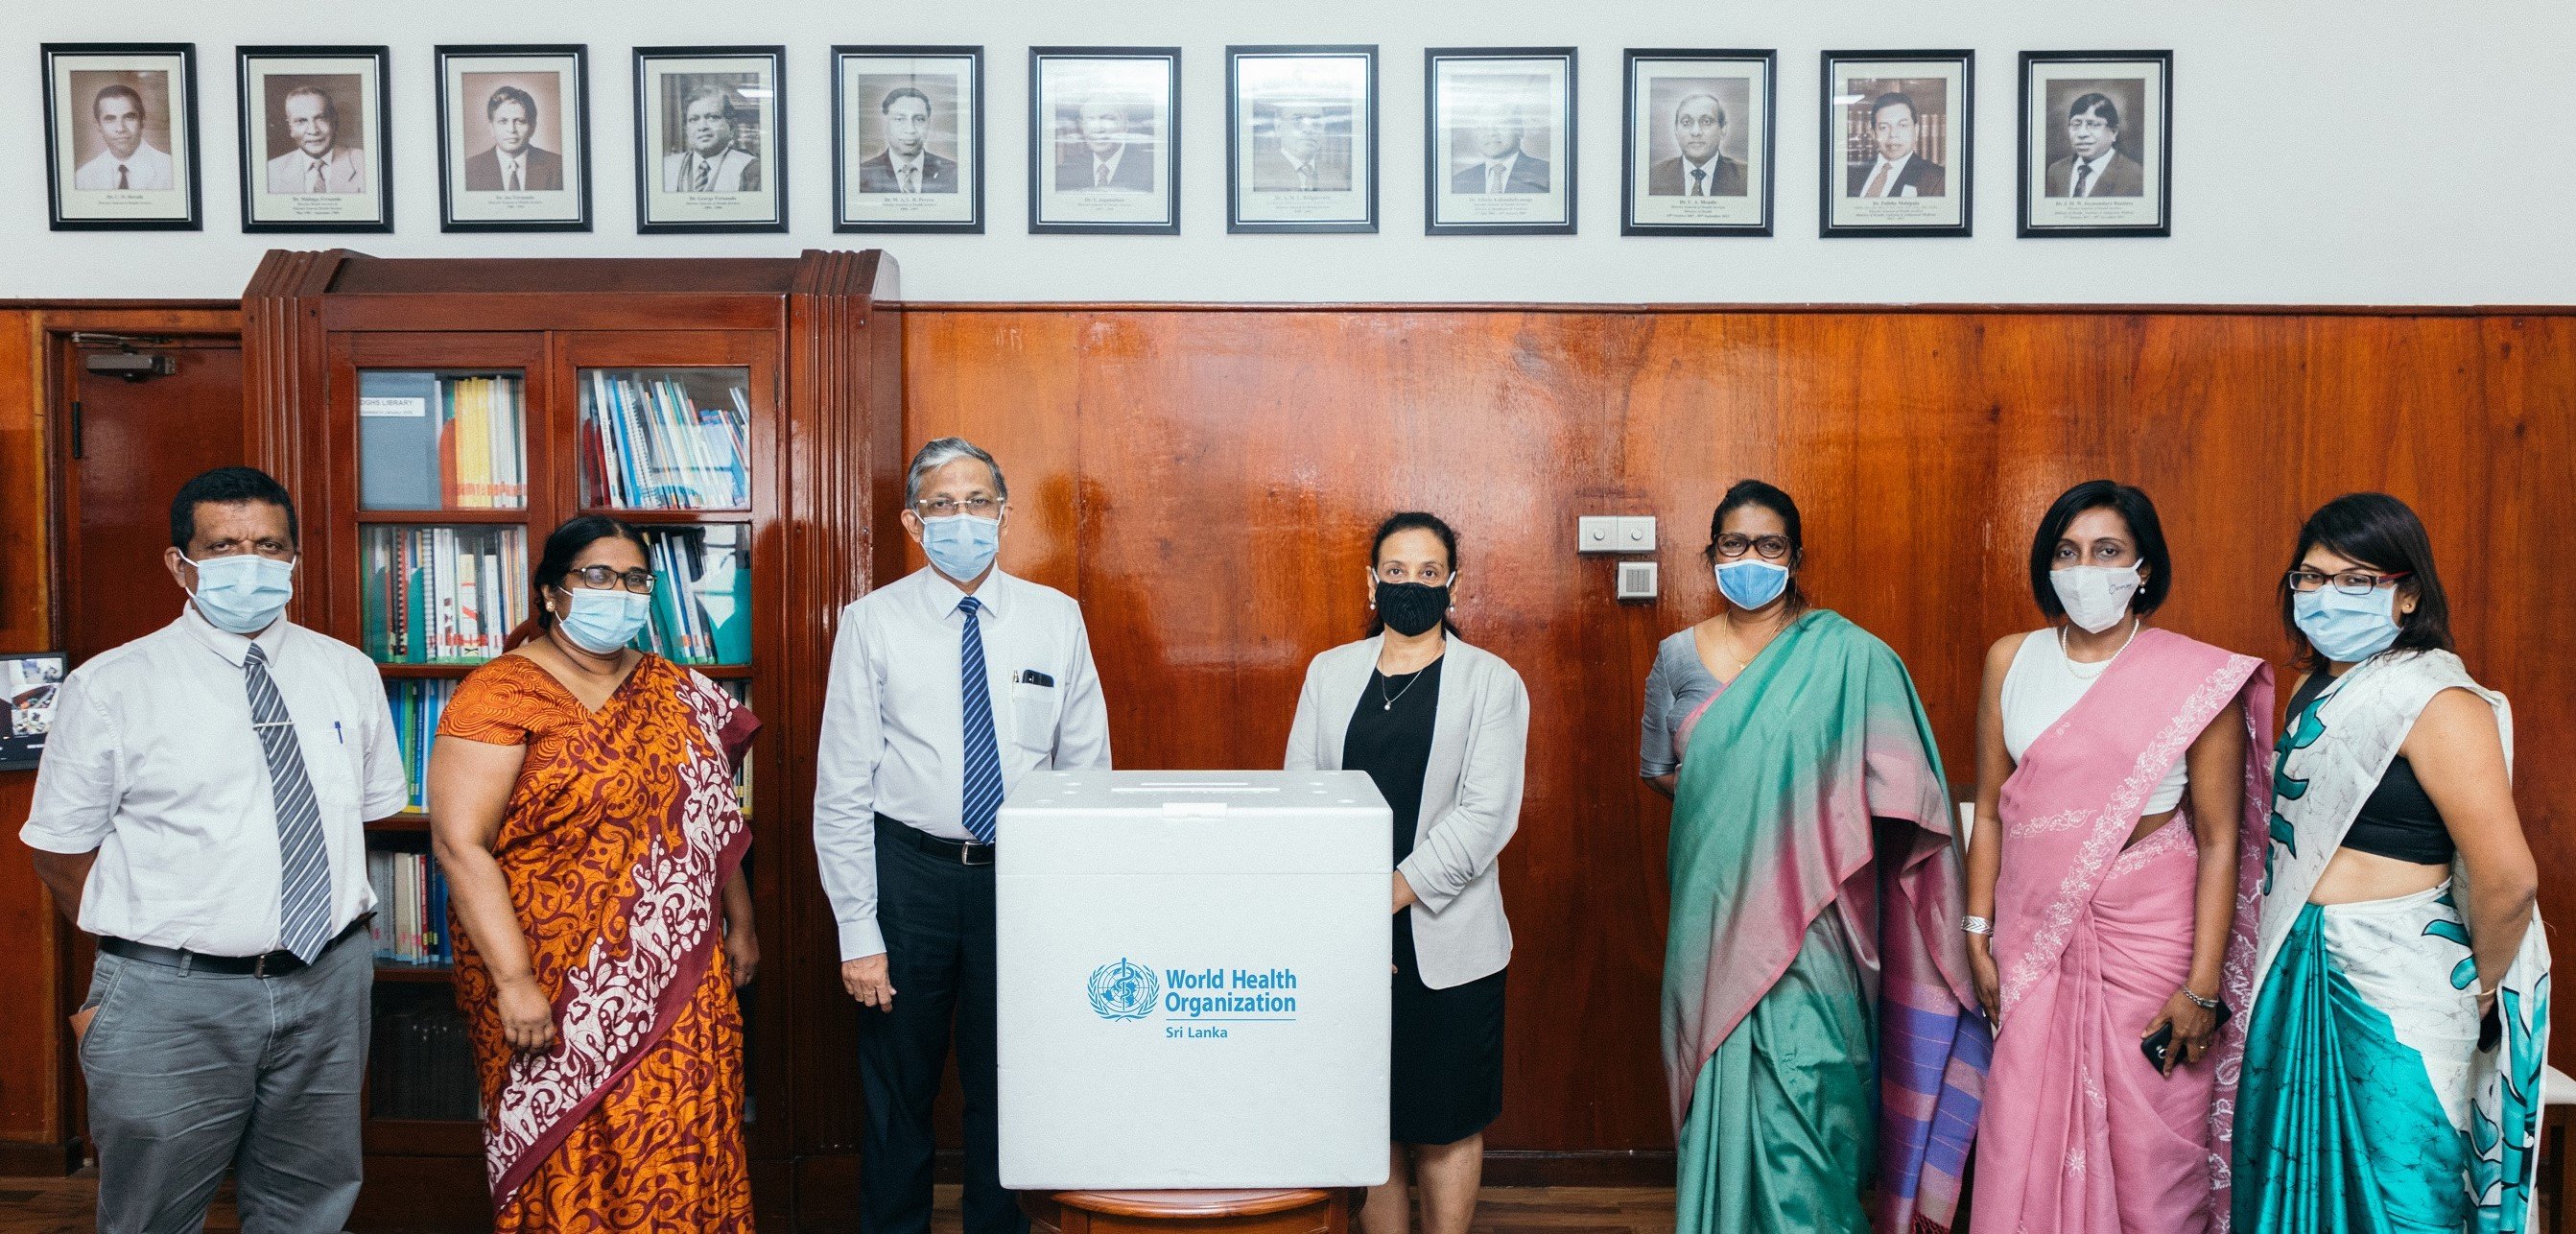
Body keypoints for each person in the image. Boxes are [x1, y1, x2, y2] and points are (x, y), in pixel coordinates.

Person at [21, 466, 404, 1232]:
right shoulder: (111, 686)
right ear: (180, 563)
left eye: (269, 546)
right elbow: (60, 852)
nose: (250, 563)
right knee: (152, 1215)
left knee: (308, 1206)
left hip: (328, 980)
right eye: (224, 547)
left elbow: (364, 815)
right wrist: (143, 957)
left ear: (294, 559)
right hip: (172, 996)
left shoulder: (347, 672)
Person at [1647, 480, 1982, 1234]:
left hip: (1817, 915)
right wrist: (1742, 812)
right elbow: (1660, 771)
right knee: (1714, 1082)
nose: (1751, 558)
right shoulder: (1675, 657)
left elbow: (1904, 789)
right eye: (1734, 544)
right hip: (1710, 910)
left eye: (1769, 545)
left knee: (1811, 1090)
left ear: (1794, 557)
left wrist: (1800, 821)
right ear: (1710, 553)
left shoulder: (1852, 658)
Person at [815, 438, 1113, 1234]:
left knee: (1009, 1084)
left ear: (1004, 514)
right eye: (942, 505)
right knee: (897, 1091)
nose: (962, 518)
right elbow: (841, 788)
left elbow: (1086, 773)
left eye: (978, 501)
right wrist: (858, 932)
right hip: (906, 876)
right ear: (913, 522)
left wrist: (1075, 911)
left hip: (1022, 880)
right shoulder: (871, 623)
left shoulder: (1055, 618)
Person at [429, 515, 760, 1229]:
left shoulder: (681, 691)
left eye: (636, 579)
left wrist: (741, 922)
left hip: (681, 966)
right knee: (572, 1151)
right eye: (598, 576)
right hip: (549, 974)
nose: (620, 592)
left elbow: (710, 816)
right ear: (553, 591)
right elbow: (460, 845)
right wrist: (515, 982)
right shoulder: (498, 694)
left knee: (681, 1132)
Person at [2233, 493, 2549, 1231]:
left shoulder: (2436, 701)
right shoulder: (2312, 689)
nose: (2326, 595)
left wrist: (2481, 987)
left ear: (2407, 594)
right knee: (2288, 1183)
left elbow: (2508, 879)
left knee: (2403, 1199)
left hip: (2399, 979)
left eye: (2356, 580)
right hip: (2297, 959)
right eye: (2311, 577)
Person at [1962, 481, 2272, 1233]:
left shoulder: (2195, 678)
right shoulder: (2011, 659)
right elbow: (1992, 810)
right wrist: (1975, 931)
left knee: (2150, 1152)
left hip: (2152, 945)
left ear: (2143, 568)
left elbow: (2219, 839)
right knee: (2021, 1133)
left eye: (2106, 552)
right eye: (2067, 553)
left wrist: (2201, 988)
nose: (2085, 570)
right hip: (2033, 939)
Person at [1284, 512, 1528, 1234]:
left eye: (1429, 573)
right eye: (1396, 571)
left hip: (1448, 940)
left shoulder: (1491, 681)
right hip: (1347, 934)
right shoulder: (1329, 673)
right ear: (1372, 582)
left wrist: (1379, 903)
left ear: (1452, 584)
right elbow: (1302, 796)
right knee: (1374, 1120)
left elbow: (1484, 817)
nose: (1411, 585)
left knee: (1446, 1123)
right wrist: (1349, 914)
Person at [264, 84, 366, 195]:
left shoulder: (365, 164)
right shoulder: (270, 172)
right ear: (291, 128)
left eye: (320, 118)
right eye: (301, 121)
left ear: (334, 122)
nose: (313, 131)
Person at [72, 83, 176, 191]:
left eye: (129, 117)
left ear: (142, 121)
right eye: (110, 119)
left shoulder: (171, 170)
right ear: (98, 125)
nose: (120, 128)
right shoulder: (83, 178)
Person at [462, 85, 563, 192]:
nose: (511, 129)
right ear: (491, 127)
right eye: (503, 121)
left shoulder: (558, 166)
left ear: (532, 127)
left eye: (520, 121)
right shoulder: (469, 169)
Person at [859, 86, 958, 193]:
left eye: (919, 119)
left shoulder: (953, 173)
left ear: (928, 124)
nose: (910, 130)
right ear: (885, 123)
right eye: (899, 119)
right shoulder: (863, 173)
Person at [664, 83, 762, 193]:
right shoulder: (666, 168)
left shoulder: (752, 170)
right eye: (694, 119)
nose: (702, 127)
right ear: (686, 130)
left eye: (712, 117)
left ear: (731, 127)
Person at [2044, 92, 2144, 198]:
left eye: (2093, 125)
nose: (2082, 134)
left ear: (2113, 132)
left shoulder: (2136, 177)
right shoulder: (2056, 171)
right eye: (2076, 124)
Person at [1846, 91, 1944, 198]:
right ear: (1873, 134)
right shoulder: (1852, 173)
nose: (1893, 135)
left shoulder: (1936, 178)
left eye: (1902, 125)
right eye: (1884, 127)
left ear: (1916, 131)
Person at [1646, 93, 1746, 197]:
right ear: (1676, 130)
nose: (1696, 132)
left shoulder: (1746, 178)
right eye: (1686, 122)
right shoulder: (1653, 177)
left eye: (1706, 121)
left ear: (1723, 129)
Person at [1055, 97, 1154, 192]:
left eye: (1108, 119)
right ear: (1082, 127)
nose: (1098, 129)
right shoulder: (1067, 171)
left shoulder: (1150, 170)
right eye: (1090, 120)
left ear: (1125, 124)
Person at [1253, 103, 1350, 191]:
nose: (1308, 129)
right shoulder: (1255, 175)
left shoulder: (1337, 179)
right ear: (1278, 127)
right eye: (1297, 120)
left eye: (1316, 121)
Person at [1451, 119, 1549, 193]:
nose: (1491, 133)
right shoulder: (1458, 182)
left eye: (1501, 124)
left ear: (1520, 130)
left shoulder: (1548, 174)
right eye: (1483, 127)